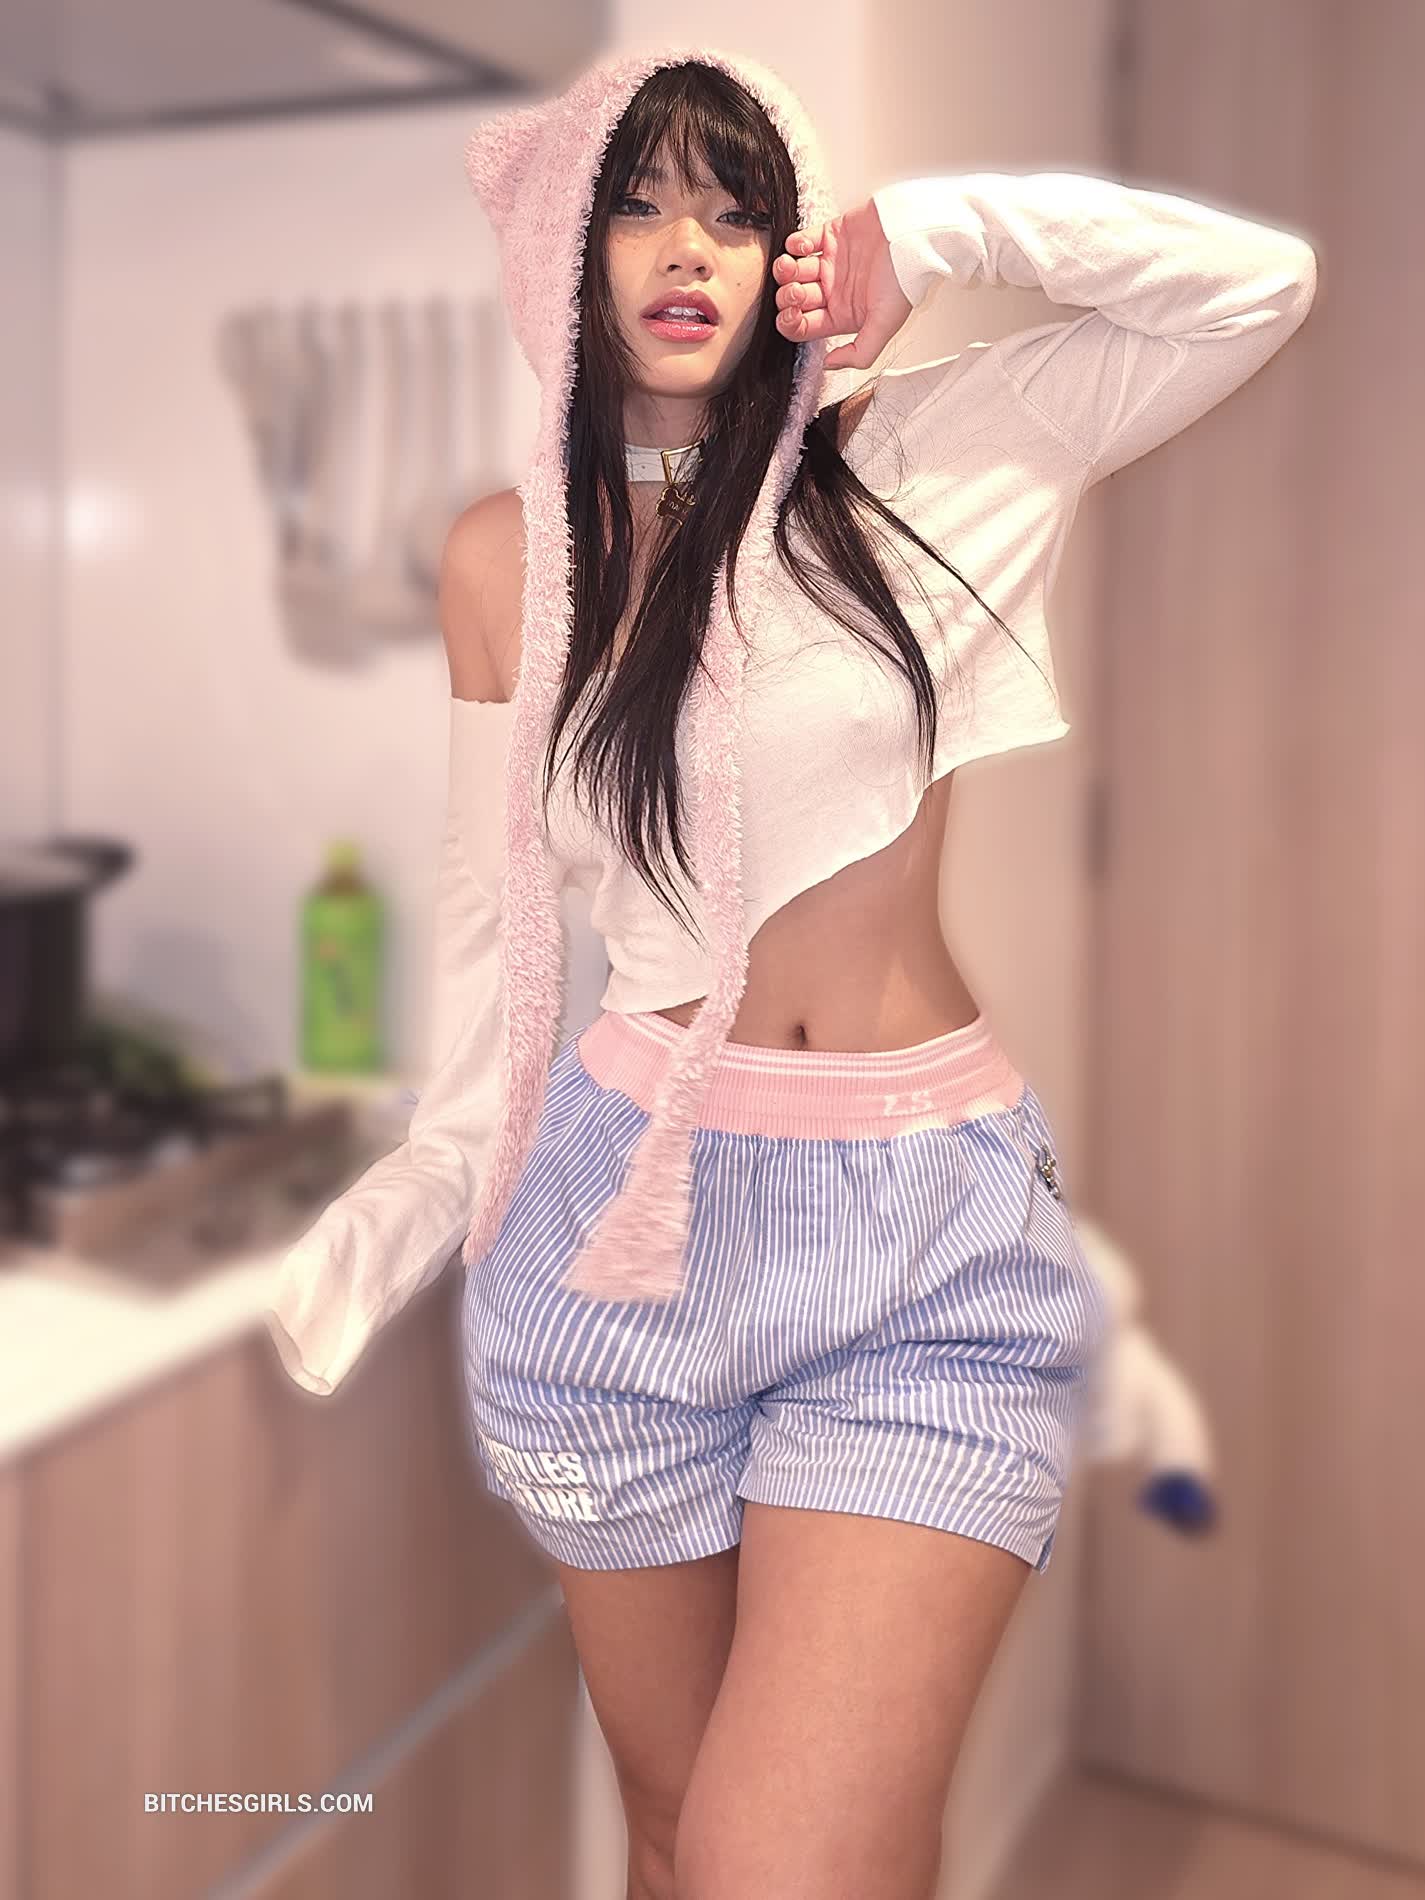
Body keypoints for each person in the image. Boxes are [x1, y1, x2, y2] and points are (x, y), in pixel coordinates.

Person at [266, 42, 1317, 1900]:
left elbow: (1255, 288)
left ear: (788, 256)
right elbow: (495, 917)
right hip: (612, 1239)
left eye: (735, 210)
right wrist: (431, 1177)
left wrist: (934, 231)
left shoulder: (924, 457)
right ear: (563, 246)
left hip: (922, 1252)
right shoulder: (507, 560)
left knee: (780, 1863)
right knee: (674, 1839)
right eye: (638, 204)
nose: (687, 247)